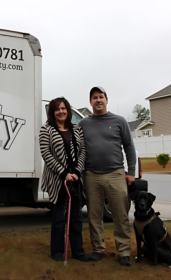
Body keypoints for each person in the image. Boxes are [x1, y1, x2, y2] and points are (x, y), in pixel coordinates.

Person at [79, 86, 136, 266]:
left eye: (101, 97)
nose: (98, 100)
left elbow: (129, 147)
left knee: (120, 215)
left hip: (116, 174)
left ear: (106, 100)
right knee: (94, 216)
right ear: (90, 102)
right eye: (94, 97)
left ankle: (124, 252)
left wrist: (132, 171)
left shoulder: (119, 121)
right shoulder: (83, 124)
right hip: (91, 176)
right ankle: (98, 249)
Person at [39, 97, 88, 262]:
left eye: (63, 108)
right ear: (53, 112)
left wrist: (77, 171)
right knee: (59, 219)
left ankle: (78, 251)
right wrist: (64, 173)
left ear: (68, 110)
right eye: (57, 109)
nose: (61, 111)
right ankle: (57, 252)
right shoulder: (46, 129)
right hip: (57, 181)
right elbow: (46, 154)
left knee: (76, 218)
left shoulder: (77, 129)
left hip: (75, 180)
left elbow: (82, 152)